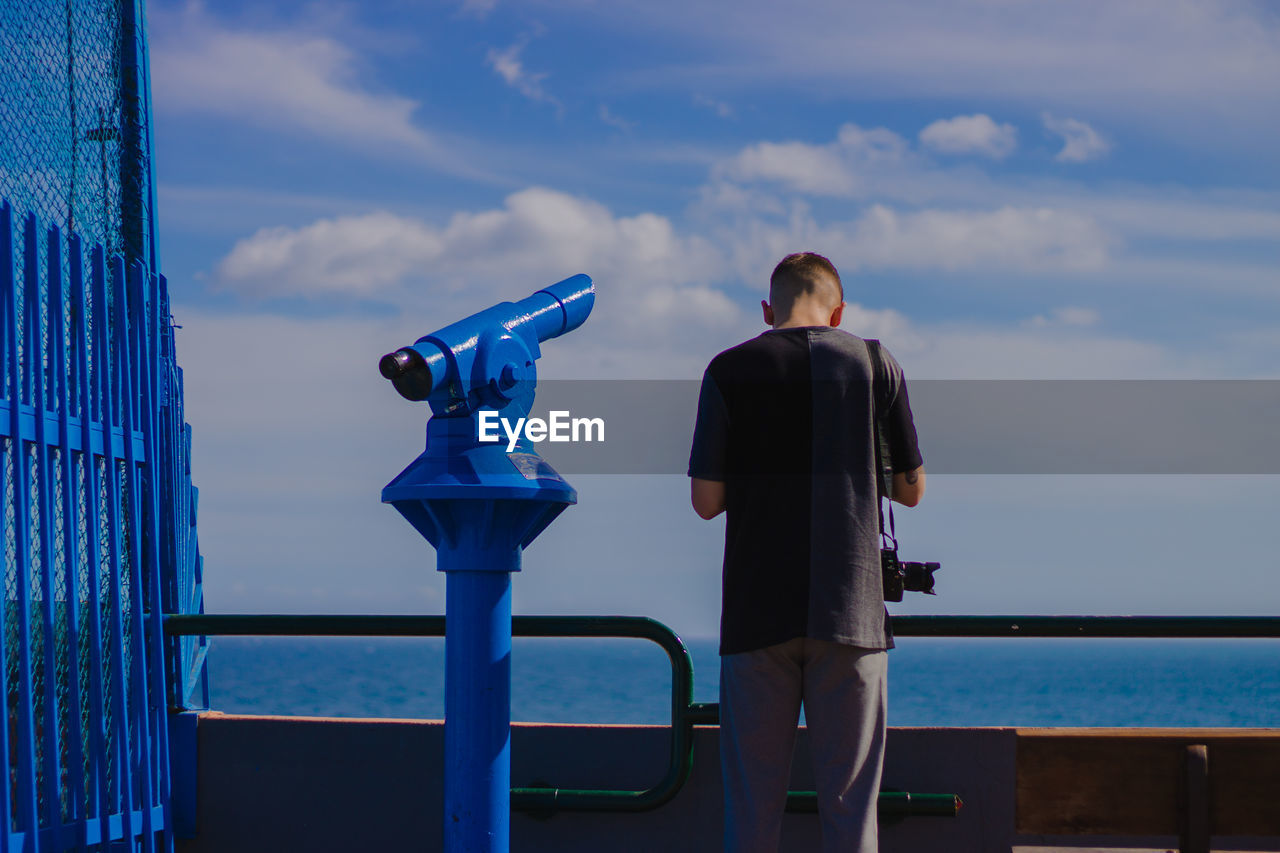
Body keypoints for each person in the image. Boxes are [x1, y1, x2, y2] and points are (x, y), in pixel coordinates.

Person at [687, 252, 925, 853]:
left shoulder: (729, 369)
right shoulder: (875, 362)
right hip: (852, 613)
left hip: (756, 613)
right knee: (851, 814)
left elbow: (706, 501)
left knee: (752, 813)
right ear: (838, 310)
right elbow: (910, 491)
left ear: (768, 311)